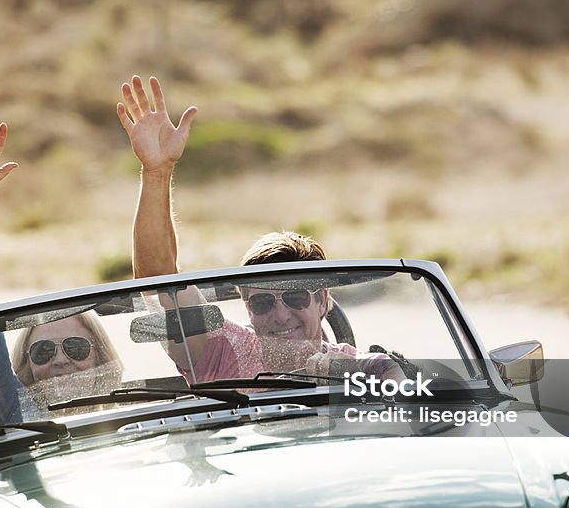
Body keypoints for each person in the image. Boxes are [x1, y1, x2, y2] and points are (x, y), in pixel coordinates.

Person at [118, 75, 402, 383]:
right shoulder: (224, 350)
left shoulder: (366, 367)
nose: (280, 315)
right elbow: (158, 281)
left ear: (322, 300)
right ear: (246, 305)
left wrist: (347, 383)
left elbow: (409, 391)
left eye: (295, 298)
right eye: (263, 302)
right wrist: (157, 171)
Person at [0, 115, 122, 419]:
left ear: (100, 359)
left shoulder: (135, 425)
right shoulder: (12, 417)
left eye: (76, 347)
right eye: (43, 351)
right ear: (27, 367)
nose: (59, 361)